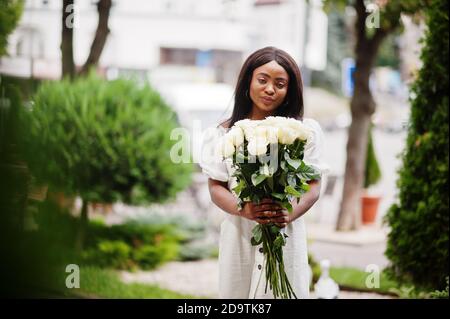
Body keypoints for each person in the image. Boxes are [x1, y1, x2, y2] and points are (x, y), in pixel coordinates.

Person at [200, 46, 329, 299]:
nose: (270, 89)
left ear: (289, 90)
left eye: (280, 84)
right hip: (239, 235)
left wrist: (288, 213)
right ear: (248, 81)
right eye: (263, 80)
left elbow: (314, 185)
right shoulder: (222, 133)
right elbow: (216, 187)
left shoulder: (304, 133)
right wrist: (245, 210)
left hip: (285, 235)